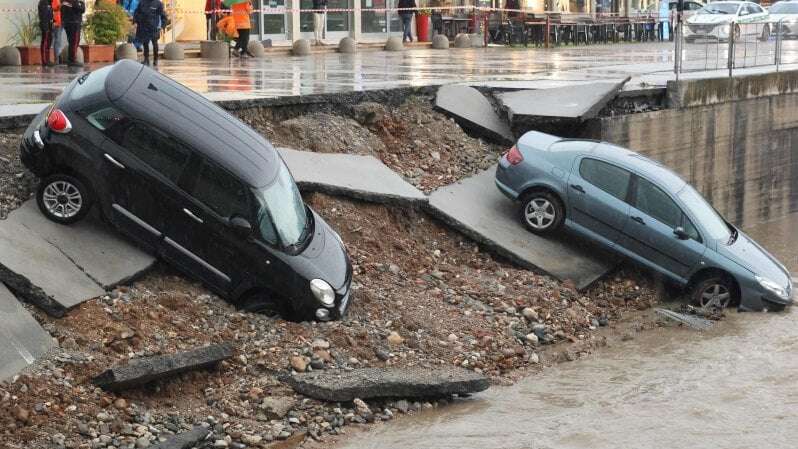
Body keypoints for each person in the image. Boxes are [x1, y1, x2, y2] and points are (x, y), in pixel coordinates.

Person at [134, 0, 168, 65]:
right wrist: (136, 22)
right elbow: (136, 13)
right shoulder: (142, 2)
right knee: (145, 44)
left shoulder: (158, 3)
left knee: (154, 43)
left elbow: (164, 16)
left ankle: (156, 59)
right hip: (144, 27)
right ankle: (146, 59)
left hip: (154, 28)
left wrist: (162, 26)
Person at [60, 0, 85, 67]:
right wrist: (80, 4)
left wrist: (81, 4)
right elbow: (80, 8)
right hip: (74, 23)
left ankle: (71, 59)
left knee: (73, 42)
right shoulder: (72, 1)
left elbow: (82, 9)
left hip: (70, 23)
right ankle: (72, 60)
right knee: (74, 42)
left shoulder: (66, 2)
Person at [38, 0, 54, 66]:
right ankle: (44, 61)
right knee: (45, 41)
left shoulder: (49, 2)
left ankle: (48, 59)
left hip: (49, 24)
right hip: (45, 24)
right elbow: (44, 15)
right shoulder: (43, 2)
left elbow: (50, 14)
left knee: (49, 41)